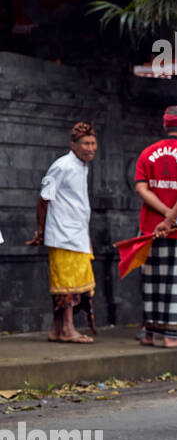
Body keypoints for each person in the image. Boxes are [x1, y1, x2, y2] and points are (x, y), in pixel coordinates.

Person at [133, 104, 177, 348]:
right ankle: (171, 336)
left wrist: (163, 216)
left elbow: (142, 188)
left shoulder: (146, 153)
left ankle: (150, 334)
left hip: (151, 228)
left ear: (165, 125)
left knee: (152, 282)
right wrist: (171, 218)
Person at [30, 122, 99, 343]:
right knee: (67, 281)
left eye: (93, 143)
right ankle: (68, 329)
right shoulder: (62, 166)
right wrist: (40, 230)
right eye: (86, 143)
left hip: (77, 233)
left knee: (75, 279)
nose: (91, 148)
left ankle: (57, 329)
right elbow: (44, 198)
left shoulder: (82, 166)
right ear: (74, 145)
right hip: (62, 234)